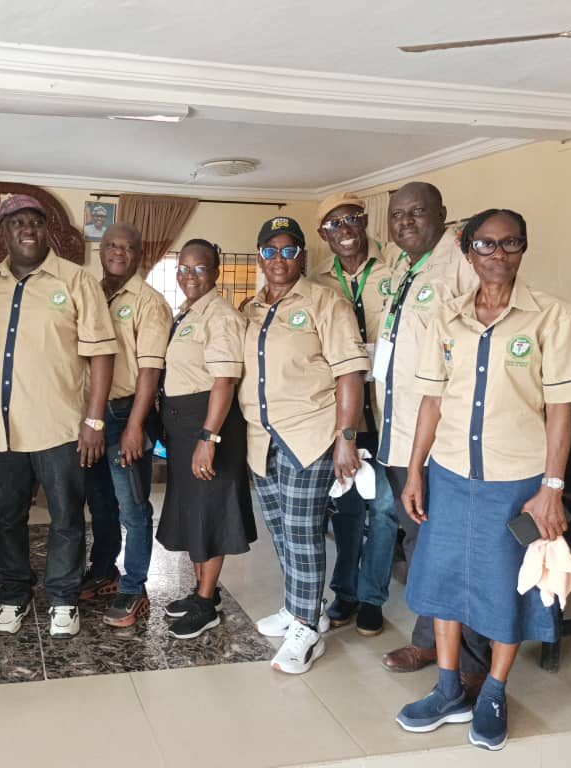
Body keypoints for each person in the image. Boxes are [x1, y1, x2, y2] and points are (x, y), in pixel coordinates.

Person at [395, 208, 571, 750]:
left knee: (506, 587)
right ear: (468, 251)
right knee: (444, 583)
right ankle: (447, 689)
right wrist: (415, 471)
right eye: (485, 244)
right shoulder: (446, 318)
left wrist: (551, 489)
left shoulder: (553, 317)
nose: (498, 254)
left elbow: (560, 411)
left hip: (516, 483)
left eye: (511, 243)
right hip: (450, 474)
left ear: (523, 248)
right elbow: (432, 402)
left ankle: (492, 690)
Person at [0, 194, 118, 638]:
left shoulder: (76, 281)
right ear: (3, 232)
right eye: (16, 222)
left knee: (67, 517)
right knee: (6, 518)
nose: (27, 229)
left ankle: (63, 597)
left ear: (46, 229)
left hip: (59, 428)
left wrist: (94, 421)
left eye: (35, 222)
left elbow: (101, 354)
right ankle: (13, 594)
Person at [240, 216, 369, 673]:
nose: (279, 259)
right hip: (261, 438)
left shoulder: (325, 302)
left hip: (308, 436)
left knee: (302, 535)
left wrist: (346, 438)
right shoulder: (250, 309)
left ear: (302, 256)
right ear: (260, 257)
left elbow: (350, 372)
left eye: (288, 250)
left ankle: (307, 630)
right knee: (280, 532)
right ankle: (301, 607)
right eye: (270, 251)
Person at [374, 182, 489, 691]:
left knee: (453, 548)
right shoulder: (403, 267)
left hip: (443, 439)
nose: (405, 221)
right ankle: (428, 640)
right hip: (401, 434)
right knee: (421, 542)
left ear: (442, 213)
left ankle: (470, 661)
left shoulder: (461, 263)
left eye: (417, 211)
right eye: (397, 214)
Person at [157, 238, 255, 640]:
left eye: (199, 268)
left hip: (208, 424)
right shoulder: (188, 312)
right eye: (183, 268)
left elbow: (224, 380)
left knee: (209, 513)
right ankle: (204, 593)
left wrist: (207, 438)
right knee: (194, 511)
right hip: (185, 427)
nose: (189, 276)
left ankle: (205, 602)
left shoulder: (221, 315)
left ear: (215, 271)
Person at [311, 193, 399, 637]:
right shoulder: (317, 282)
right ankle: (344, 592)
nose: (344, 229)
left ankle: (372, 597)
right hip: (344, 416)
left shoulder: (396, 268)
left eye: (351, 219)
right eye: (334, 223)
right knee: (345, 510)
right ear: (323, 234)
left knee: (383, 511)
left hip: (389, 413)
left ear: (364, 222)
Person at [79, 222, 172, 626]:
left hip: (125, 415)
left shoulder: (150, 303)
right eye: (112, 245)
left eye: (128, 247)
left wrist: (135, 426)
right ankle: (104, 572)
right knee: (100, 503)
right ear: (100, 251)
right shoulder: (90, 294)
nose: (119, 252)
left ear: (140, 254)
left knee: (133, 509)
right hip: (89, 418)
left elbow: (150, 371)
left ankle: (134, 587)